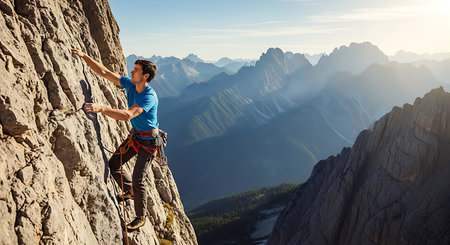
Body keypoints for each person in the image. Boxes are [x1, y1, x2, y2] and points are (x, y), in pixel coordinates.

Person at [71, 48, 159, 231]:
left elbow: (128, 115)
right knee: (114, 164)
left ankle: (140, 217)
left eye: (136, 70)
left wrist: (101, 108)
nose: (131, 71)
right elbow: (104, 72)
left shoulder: (148, 97)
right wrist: (84, 56)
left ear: (145, 76)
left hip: (149, 143)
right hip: (137, 137)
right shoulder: (130, 85)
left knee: (138, 178)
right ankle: (130, 191)